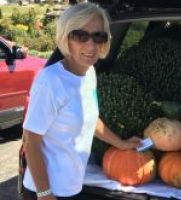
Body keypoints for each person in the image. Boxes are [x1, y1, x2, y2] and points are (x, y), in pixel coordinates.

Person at [21, 2, 141, 200]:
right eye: (80, 36)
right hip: (45, 191)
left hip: (72, 187)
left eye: (98, 36)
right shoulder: (50, 81)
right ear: (66, 38)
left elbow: (90, 118)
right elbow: (30, 140)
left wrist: (121, 144)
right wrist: (44, 194)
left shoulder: (89, 73)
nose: (91, 45)